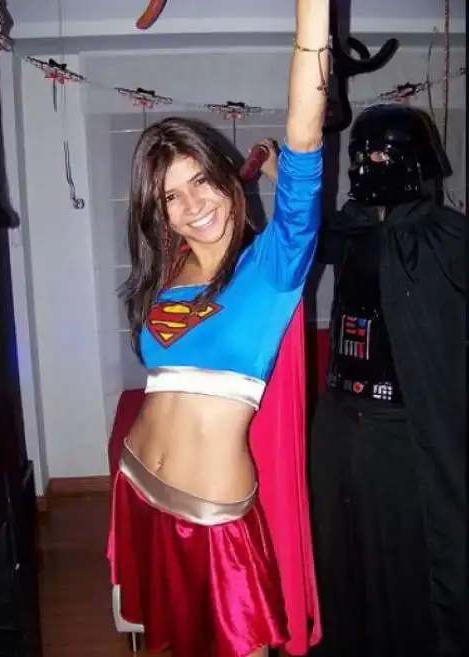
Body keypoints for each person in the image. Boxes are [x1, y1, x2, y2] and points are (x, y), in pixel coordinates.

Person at [107, 1, 330, 655]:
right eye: (171, 196)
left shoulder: (274, 265)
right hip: (138, 483)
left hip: (213, 515)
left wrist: (313, 15)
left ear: (227, 177)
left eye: (201, 180)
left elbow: (305, 134)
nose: (193, 204)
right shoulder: (168, 272)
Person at [306, 104, 465, 657]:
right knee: (339, 548)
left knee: (406, 555)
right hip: (339, 423)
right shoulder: (348, 229)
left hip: (403, 428)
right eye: (361, 154)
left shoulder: (446, 238)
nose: (367, 164)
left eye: (380, 153)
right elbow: (300, 234)